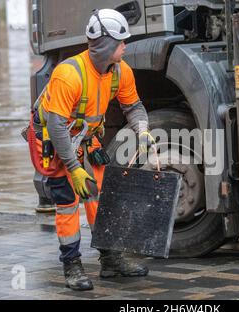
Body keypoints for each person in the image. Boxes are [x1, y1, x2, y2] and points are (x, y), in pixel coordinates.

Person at [32, 9, 155, 291]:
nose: (126, 46)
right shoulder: (68, 75)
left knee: (101, 195)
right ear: (105, 44)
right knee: (67, 204)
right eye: (121, 41)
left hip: (86, 140)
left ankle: (110, 260)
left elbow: (133, 107)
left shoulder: (120, 71)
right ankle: (72, 265)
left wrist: (143, 131)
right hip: (55, 143)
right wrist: (74, 169)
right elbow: (58, 126)